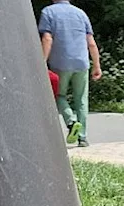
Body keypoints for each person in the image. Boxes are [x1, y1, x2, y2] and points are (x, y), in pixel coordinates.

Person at [38, 0, 101, 147]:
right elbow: (91, 42)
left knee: (59, 95)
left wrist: (42, 62)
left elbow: (47, 38)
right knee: (81, 100)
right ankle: (83, 137)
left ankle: (71, 122)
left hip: (60, 63)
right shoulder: (81, 13)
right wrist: (96, 65)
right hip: (81, 63)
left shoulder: (48, 12)